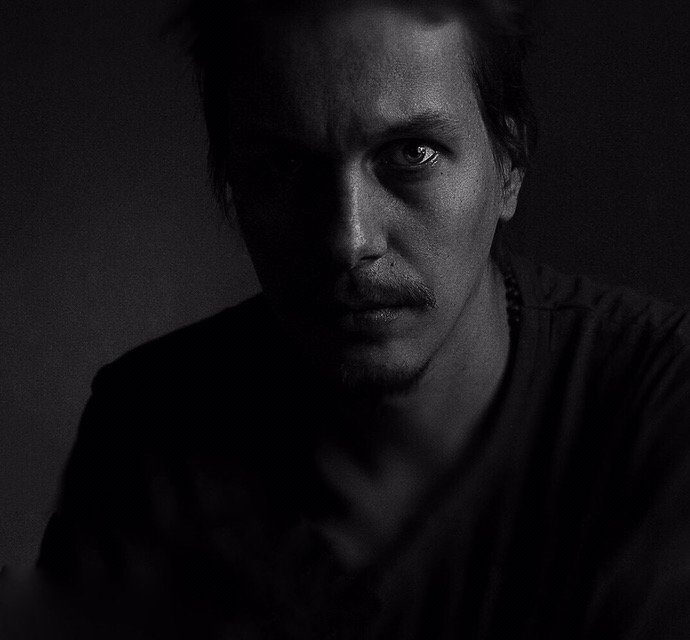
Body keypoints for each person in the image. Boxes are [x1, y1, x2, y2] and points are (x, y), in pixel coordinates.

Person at [31, 0, 690, 637]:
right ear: (234, 184)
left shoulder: (659, 402)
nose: (348, 239)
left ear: (509, 165)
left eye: (411, 153)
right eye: (284, 166)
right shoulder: (149, 428)